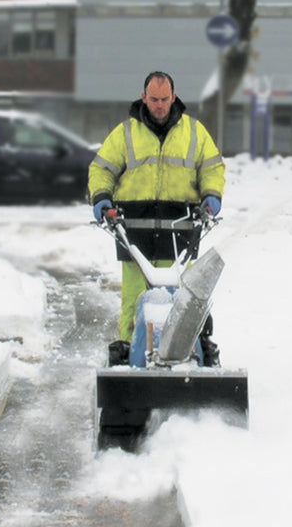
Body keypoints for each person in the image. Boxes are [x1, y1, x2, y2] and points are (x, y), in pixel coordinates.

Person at [88, 71, 226, 366]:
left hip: (181, 230)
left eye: (165, 99)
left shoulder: (194, 131)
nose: (160, 105)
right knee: (134, 300)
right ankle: (129, 351)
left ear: (174, 97)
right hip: (133, 229)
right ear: (144, 97)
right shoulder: (126, 133)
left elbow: (212, 167)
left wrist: (211, 195)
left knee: (183, 298)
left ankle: (192, 347)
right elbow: (101, 168)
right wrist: (102, 198)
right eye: (154, 99)